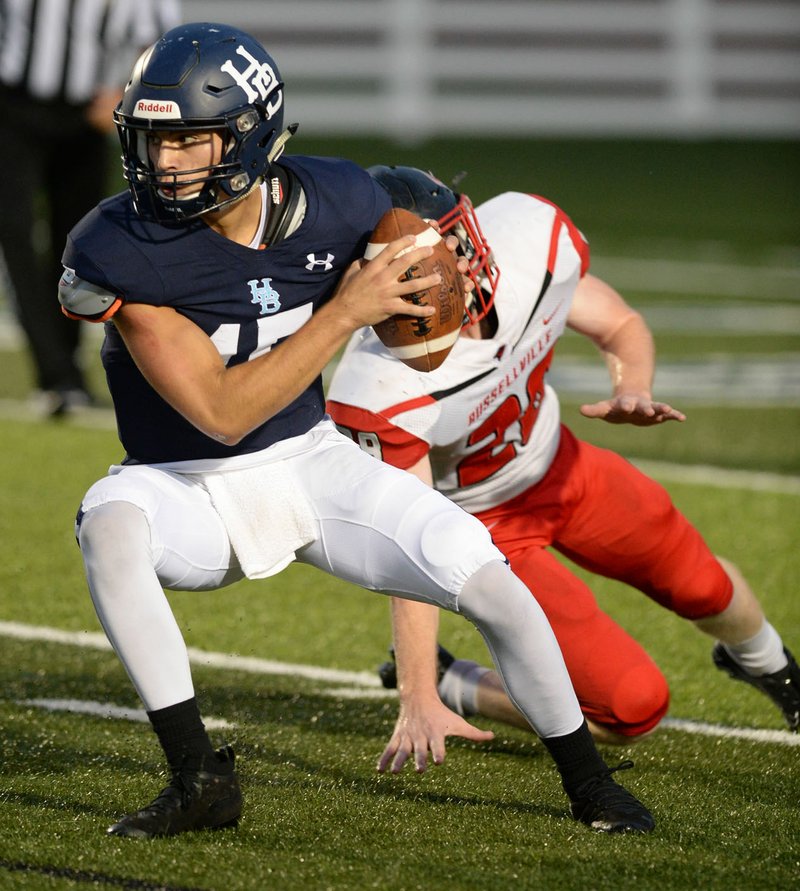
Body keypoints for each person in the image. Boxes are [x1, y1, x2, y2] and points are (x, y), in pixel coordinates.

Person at [58, 22, 655, 839]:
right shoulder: (117, 242)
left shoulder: (338, 199)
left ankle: (592, 786)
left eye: (191, 141)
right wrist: (346, 310)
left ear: (251, 136)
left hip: (312, 463)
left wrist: (429, 288)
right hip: (185, 481)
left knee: (489, 581)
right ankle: (198, 777)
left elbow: (420, 247)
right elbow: (222, 412)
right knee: (111, 525)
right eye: (155, 140)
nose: (166, 164)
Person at [326, 165, 800, 755]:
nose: (451, 273)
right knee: (631, 708)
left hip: (560, 465)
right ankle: (460, 684)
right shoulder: (381, 384)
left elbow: (620, 323)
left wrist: (635, 386)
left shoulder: (528, 242)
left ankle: (776, 670)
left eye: (448, 247)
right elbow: (410, 537)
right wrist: (420, 690)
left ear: (469, 228)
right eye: (414, 270)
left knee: (702, 582)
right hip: (488, 531)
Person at [0, 0, 181, 416]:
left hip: (87, 116)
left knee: (76, 243)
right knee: (15, 233)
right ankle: (56, 373)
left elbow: (158, 40)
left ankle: (66, 370)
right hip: (11, 109)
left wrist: (124, 94)